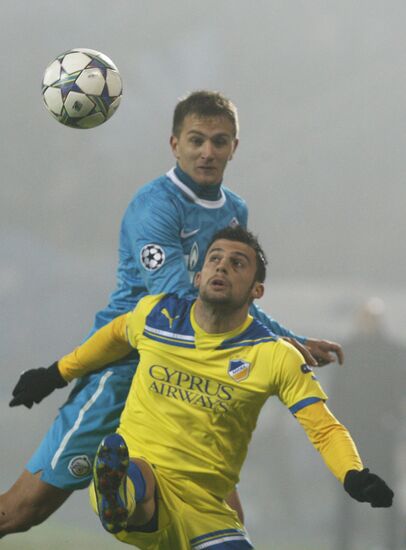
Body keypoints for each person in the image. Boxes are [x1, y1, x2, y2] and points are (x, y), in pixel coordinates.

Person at [1, 91, 343, 536]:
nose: (207, 152)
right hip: (126, 362)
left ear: (234, 147)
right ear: (174, 144)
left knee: (219, 514)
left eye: (219, 142)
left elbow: (230, 298)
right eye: (196, 140)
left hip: (190, 368)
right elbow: (181, 302)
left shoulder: (234, 209)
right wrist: (282, 339)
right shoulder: (155, 206)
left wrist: (285, 337)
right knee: (26, 510)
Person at [10, 226, 394, 549]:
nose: (222, 266)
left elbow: (324, 427)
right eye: (215, 258)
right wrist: (55, 374)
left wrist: (353, 474)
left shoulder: (273, 355)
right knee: (135, 481)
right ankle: (118, 493)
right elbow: (114, 335)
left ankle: (124, 495)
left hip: (206, 505)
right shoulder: (157, 315)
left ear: (257, 291)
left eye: (237, 263)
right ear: (198, 276)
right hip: (139, 479)